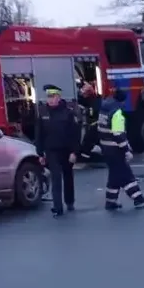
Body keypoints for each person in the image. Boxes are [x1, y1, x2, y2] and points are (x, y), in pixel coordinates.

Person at [98, 87, 144, 211]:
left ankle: (110, 201)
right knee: (125, 173)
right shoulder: (117, 113)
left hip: (106, 147)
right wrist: (126, 150)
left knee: (114, 175)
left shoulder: (105, 108)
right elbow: (118, 134)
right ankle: (137, 197)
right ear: (123, 101)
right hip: (115, 149)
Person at [34, 85, 81, 216]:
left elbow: (75, 134)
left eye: (52, 96)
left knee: (68, 176)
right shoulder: (43, 113)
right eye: (48, 96)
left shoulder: (68, 112)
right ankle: (57, 207)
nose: (50, 99)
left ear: (58, 97)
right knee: (55, 177)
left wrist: (74, 152)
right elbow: (39, 134)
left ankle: (69, 201)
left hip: (66, 151)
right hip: (51, 151)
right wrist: (40, 153)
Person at [77, 82, 101, 161]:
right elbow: (81, 100)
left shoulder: (95, 103)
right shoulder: (92, 100)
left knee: (89, 139)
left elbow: (93, 114)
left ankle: (85, 153)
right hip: (94, 125)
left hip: (96, 125)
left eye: (84, 94)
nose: (83, 96)